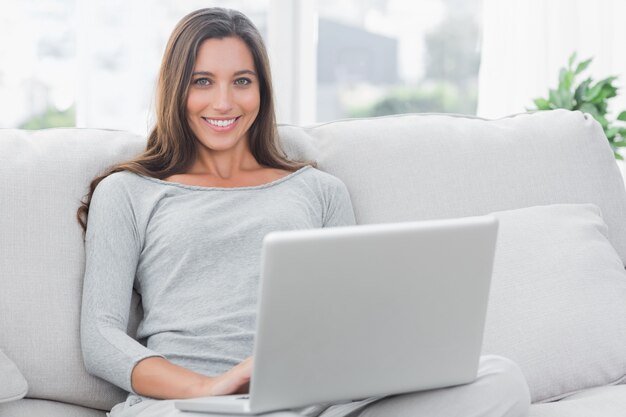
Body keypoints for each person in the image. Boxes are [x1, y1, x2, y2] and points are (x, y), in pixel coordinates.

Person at [78, 7, 530, 417]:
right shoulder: (128, 191)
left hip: (316, 403)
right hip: (191, 406)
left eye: (242, 81)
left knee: (500, 378)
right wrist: (208, 388)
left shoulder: (320, 190)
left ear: (262, 89)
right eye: (202, 81)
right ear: (175, 89)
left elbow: (349, 319)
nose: (223, 103)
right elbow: (100, 338)